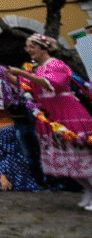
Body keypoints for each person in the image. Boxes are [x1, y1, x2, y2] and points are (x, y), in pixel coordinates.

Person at [6, 33, 92, 209]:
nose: (29, 50)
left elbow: (52, 84)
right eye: (27, 47)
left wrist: (22, 72)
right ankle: (88, 191)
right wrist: (11, 76)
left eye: (32, 46)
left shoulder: (56, 64)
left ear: (43, 48)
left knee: (80, 154)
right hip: (51, 113)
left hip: (67, 111)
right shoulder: (37, 68)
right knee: (69, 159)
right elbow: (28, 88)